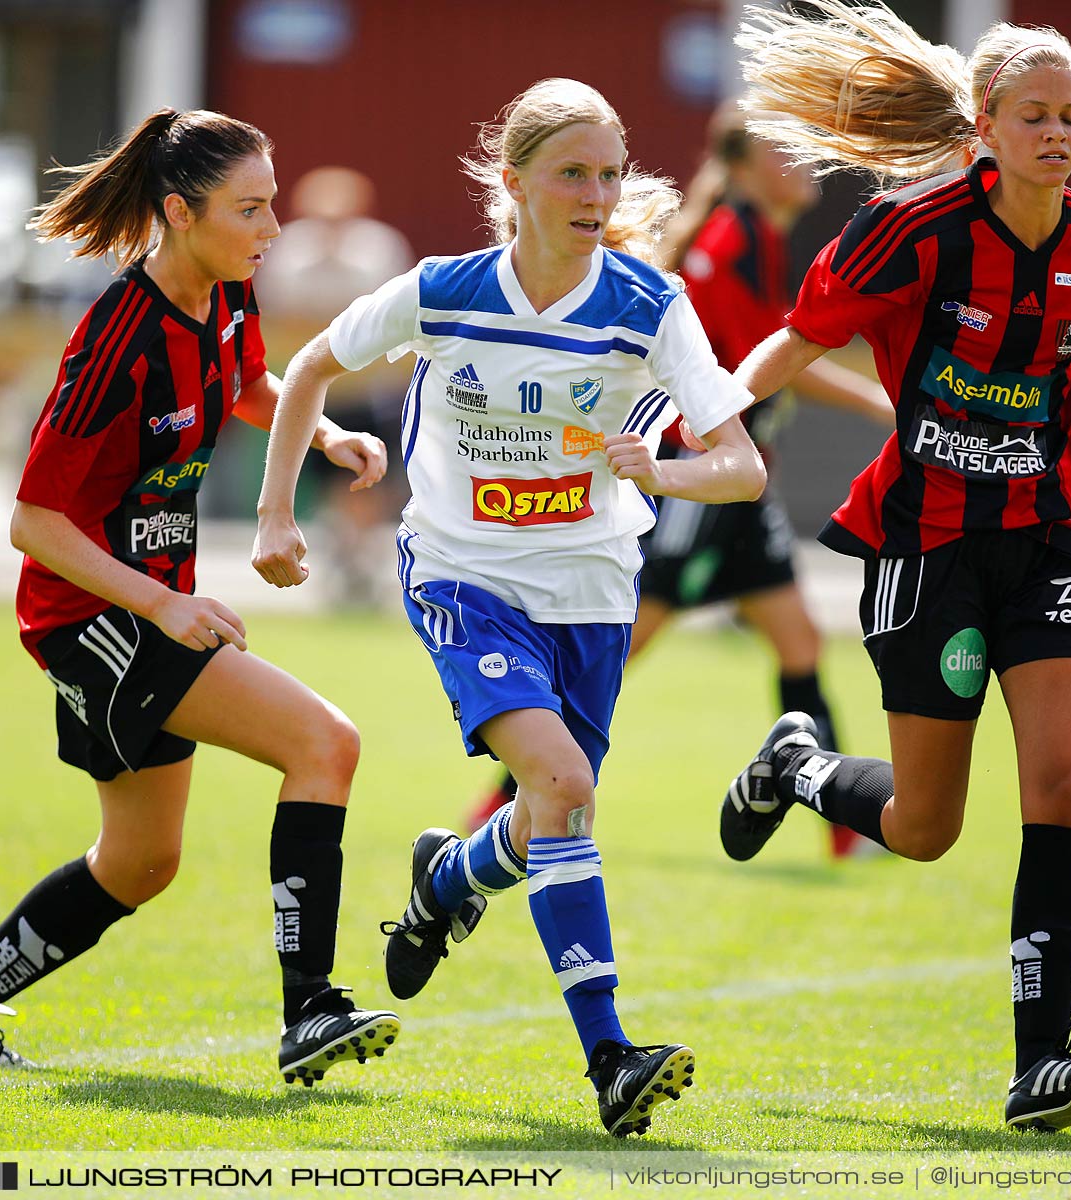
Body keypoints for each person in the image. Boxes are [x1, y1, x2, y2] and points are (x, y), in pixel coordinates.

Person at [709, 2, 1071, 1132]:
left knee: (1063, 787)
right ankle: (797, 765)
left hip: (1044, 542)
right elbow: (801, 331)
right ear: (984, 122)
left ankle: (1042, 1063)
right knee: (928, 826)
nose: (1059, 133)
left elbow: (1063, 357)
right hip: (927, 544)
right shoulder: (916, 229)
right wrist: (712, 413)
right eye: (1035, 114)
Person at [251, 79, 765, 1135]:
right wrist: (274, 517)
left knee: (546, 817)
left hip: (591, 593)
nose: (594, 193)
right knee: (565, 785)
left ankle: (448, 878)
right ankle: (612, 1058)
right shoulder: (443, 290)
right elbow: (306, 367)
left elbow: (743, 467)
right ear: (514, 181)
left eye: (609, 173)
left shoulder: (648, 304)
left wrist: (665, 475)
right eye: (571, 172)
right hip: (462, 577)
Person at [0, 108, 399, 1085]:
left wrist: (326, 436)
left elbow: (246, 381)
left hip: (143, 606)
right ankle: (310, 1011)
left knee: (138, 864)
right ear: (180, 210)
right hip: (89, 616)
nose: (272, 229)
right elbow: (34, 524)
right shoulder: (115, 342)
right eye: (249, 208)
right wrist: (165, 607)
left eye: (272, 204)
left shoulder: (228, 293)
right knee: (323, 743)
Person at [465, 106, 894, 860]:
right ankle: (498, 809)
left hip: (740, 488)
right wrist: (876, 401)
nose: (807, 164)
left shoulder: (753, 235)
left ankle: (845, 833)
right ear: (751, 161)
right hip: (697, 484)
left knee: (797, 641)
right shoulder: (728, 240)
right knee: (619, 649)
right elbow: (759, 362)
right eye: (789, 150)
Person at [254, 166, 413, 606]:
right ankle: (347, 553)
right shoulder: (286, 252)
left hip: (366, 390)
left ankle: (354, 554)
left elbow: (388, 325)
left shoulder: (379, 250)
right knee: (331, 478)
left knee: (366, 478)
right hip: (313, 392)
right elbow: (280, 320)